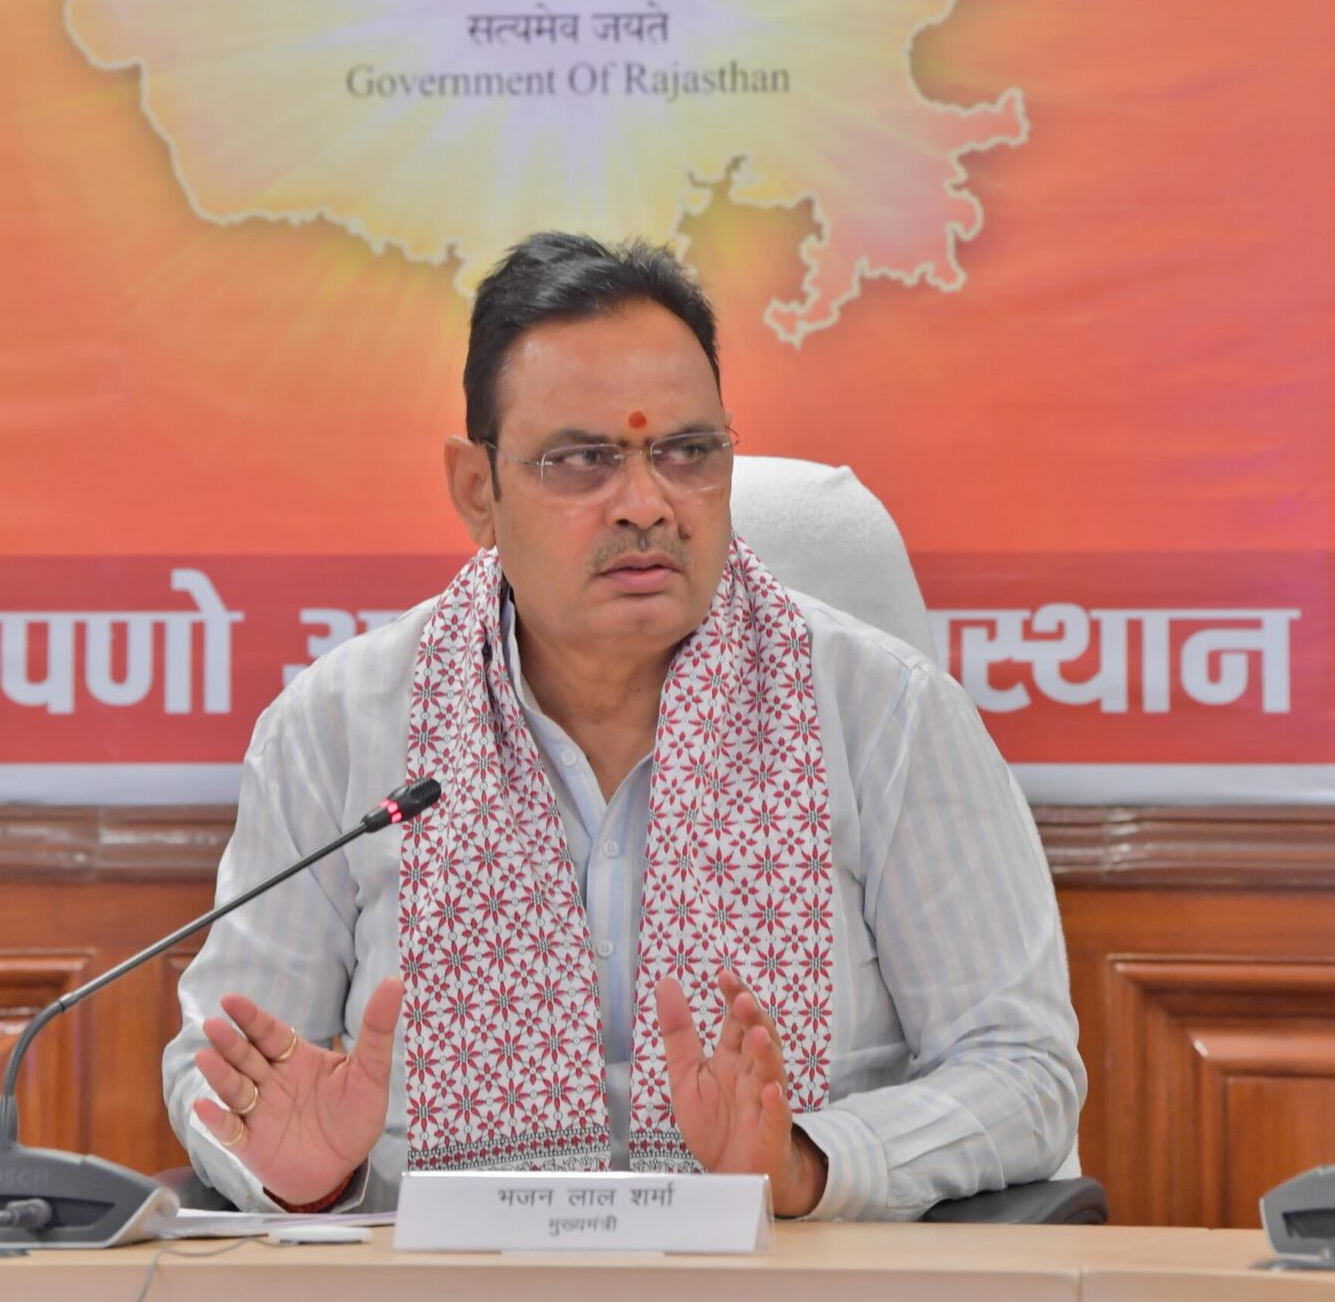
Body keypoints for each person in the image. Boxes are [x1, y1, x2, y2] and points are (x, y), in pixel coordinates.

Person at [162, 232, 1083, 1220]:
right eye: (582, 461)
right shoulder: (336, 731)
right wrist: (306, 1177)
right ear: (477, 489)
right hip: (450, 1285)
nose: (646, 505)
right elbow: (225, 1065)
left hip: (784, 1281)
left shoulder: (883, 714)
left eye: (687, 453)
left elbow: (1021, 1065)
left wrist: (809, 1165)